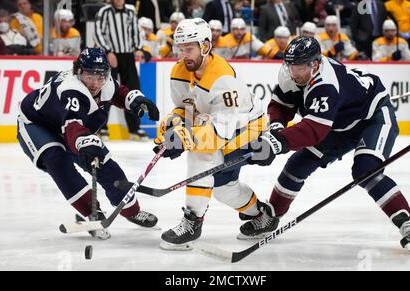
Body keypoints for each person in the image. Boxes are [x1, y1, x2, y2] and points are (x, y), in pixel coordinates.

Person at [243, 36, 410, 254]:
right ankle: (271, 216)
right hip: (337, 123)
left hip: (372, 117)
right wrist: (276, 128)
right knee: (298, 164)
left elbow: (314, 129)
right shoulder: (292, 74)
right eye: (290, 65)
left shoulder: (326, 84)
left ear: (314, 64)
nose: (293, 73)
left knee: (366, 170)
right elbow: (281, 104)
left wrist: (279, 141)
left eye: (299, 67)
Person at [17, 47, 160, 239]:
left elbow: (118, 93)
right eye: (89, 76)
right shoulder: (71, 90)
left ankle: (131, 211)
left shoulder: (105, 81)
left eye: (100, 76)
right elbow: (72, 125)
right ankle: (92, 213)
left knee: (106, 165)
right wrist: (84, 143)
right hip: (38, 125)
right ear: (78, 72)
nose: (95, 83)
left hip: (70, 127)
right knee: (57, 161)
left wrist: (135, 100)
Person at [155, 18, 268, 250]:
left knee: (202, 155)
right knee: (224, 189)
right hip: (220, 125)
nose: (184, 54)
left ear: (205, 46)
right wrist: (173, 126)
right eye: (181, 49)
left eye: (189, 49)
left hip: (247, 127)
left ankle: (192, 222)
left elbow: (222, 131)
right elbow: (186, 110)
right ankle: (261, 216)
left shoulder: (223, 78)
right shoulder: (180, 71)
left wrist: (187, 139)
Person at [95, 0, 149, 141]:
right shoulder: (104, 11)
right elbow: (99, 33)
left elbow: (135, 31)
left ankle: (134, 128)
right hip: (110, 55)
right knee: (106, 89)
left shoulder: (131, 11)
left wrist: (137, 48)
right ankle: (101, 127)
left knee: (133, 90)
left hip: (127, 55)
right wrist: (108, 51)